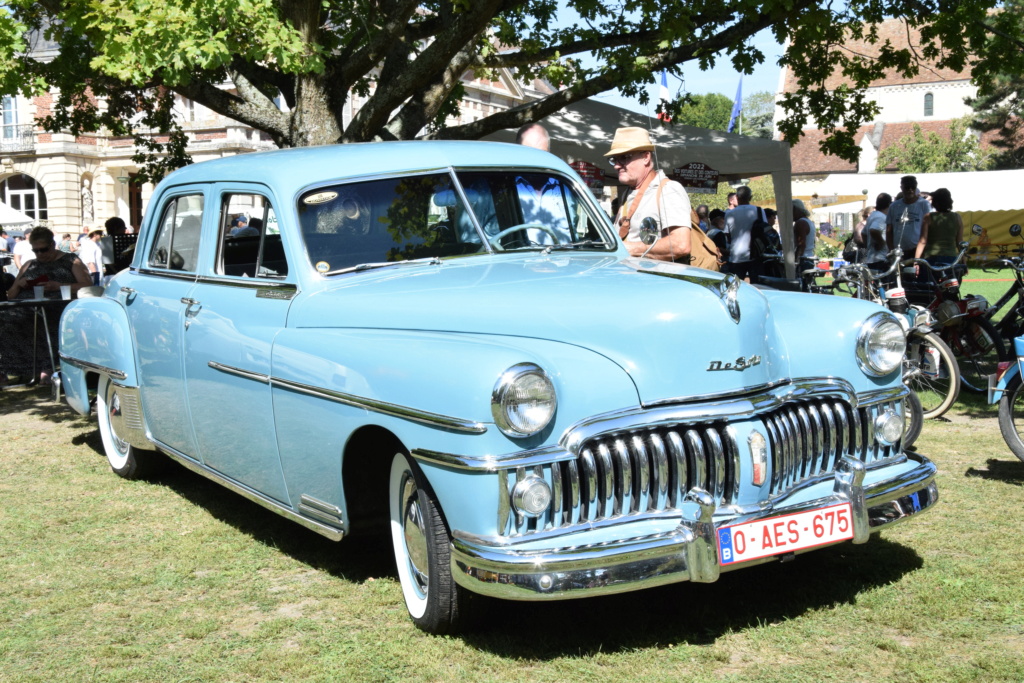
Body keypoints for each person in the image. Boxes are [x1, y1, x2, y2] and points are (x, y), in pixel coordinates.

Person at [2, 227, 92, 385]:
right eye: (35, 251)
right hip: (26, 306)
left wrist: (59, 285)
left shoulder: (70, 260)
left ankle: (47, 366)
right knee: (6, 318)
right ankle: (8, 369)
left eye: (43, 250)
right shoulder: (30, 264)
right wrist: (19, 285)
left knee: (44, 317)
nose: (40, 254)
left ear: (52, 245)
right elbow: (11, 295)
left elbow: (87, 285)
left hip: (57, 305)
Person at [606, 127, 691, 262]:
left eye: (623, 158)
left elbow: (681, 245)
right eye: (614, 159)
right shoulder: (629, 192)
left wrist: (630, 248)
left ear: (646, 157)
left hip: (658, 280)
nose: (616, 165)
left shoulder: (668, 190)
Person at [723, 185, 767, 281]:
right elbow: (765, 230)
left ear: (737, 198)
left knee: (735, 287)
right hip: (756, 254)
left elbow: (727, 235)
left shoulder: (730, 213)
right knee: (757, 286)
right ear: (750, 198)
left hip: (736, 255)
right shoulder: (759, 211)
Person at [915, 187, 963, 271]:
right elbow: (960, 242)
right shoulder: (957, 217)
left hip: (931, 257)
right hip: (951, 257)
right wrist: (964, 260)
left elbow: (922, 241)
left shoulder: (928, 217)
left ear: (935, 202)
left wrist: (916, 262)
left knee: (930, 282)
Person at [887, 175, 932, 253]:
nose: (910, 190)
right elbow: (889, 230)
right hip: (898, 251)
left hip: (917, 249)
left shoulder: (924, 204)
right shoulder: (894, 206)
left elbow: (929, 227)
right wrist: (891, 250)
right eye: (907, 187)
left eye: (913, 187)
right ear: (901, 188)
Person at [863, 193, 891, 271]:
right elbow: (874, 230)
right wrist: (881, 242)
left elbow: (863, 233)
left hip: (871, 258)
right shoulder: (881, 217)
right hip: (881, 258)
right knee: (884, 282)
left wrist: (868, 247)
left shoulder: (872, 216)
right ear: (889, 204)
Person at [793, 199, 817, 274]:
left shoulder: (801, 223)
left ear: (795, 209)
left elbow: (801, 244)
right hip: (809, 257)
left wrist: (796, 262)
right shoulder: (809, 222)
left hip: (803, 259)